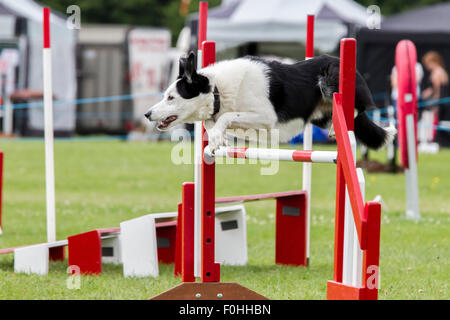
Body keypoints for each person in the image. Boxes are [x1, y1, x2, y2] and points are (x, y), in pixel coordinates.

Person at [421, 51, 449, 146]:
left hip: (440, 102)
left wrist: (435, 103)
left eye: (428, 64)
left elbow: (437, 89)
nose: (427, 67)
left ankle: (435, 141)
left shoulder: (437, 72)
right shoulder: (441, 71)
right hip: (441, 101)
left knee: (436, 121)